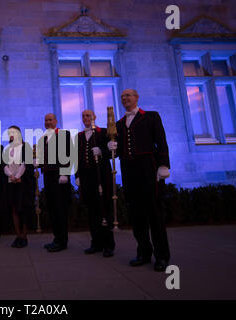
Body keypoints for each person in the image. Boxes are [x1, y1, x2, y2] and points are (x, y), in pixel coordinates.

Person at [108, 89, 171, 271]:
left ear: (136, 98)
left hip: (149, 170)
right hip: (129, 172)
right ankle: (143, 252)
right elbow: (119, 151)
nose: (125, 98)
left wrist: (164, 164)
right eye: (122, 97)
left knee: (155, 215)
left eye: (128, 95)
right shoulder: (119, 124)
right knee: (137, 217)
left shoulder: (151, 117)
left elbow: (161, 140)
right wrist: (110, 147)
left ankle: (162, 256)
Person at [75, 110, 115, 257]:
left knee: (104, 209)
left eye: (88, 115)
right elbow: (77, 157)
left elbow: (113, 152)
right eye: (83, 116)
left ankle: (108, 245)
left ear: (94, 117)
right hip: (86, 179)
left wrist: (103, 150)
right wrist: (77, 175)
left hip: (101, 176)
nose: (85, 118)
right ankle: (96, 243)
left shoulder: (104, 132)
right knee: (92, 211)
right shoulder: (79, 136)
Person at [37, 113, 72, 252]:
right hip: (48, 177)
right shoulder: (43, 138)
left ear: (56, 121)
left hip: (59, 176)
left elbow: (68, 154)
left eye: (50, 119)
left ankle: (62, 241)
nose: (48, 122)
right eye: (46, 120)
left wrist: (64, 172)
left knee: (60, 209)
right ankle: (56, 238)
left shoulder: (63, 134)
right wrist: (37, 164)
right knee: (52, 208)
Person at [3, 126, 35, 248]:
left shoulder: (25, 146)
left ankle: (24, 236)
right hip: (11, 182)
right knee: (14, 209)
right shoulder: (7, 148)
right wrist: (11, 175)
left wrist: (18, 176)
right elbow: (4, 164)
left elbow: (25, 163)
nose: (11, 134)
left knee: (24, 209)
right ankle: (18, 235)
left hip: (22, 182)